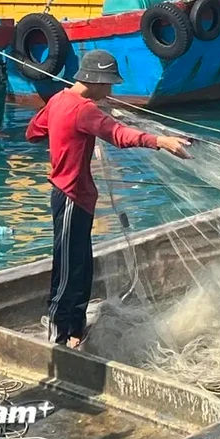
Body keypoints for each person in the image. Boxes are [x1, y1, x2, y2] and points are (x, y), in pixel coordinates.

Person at [26, 50, 191, 348]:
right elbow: (118, 135)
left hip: (79, 198)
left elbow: (33, 132)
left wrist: (60, 135)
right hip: (70, 197)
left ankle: (76, 330)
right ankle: (57, 337)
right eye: (108, 85)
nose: (111, 90)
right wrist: (160, 141)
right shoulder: (83, 110)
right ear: (94, 81)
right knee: (66, 269)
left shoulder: (60, 100)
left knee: (81, 266)